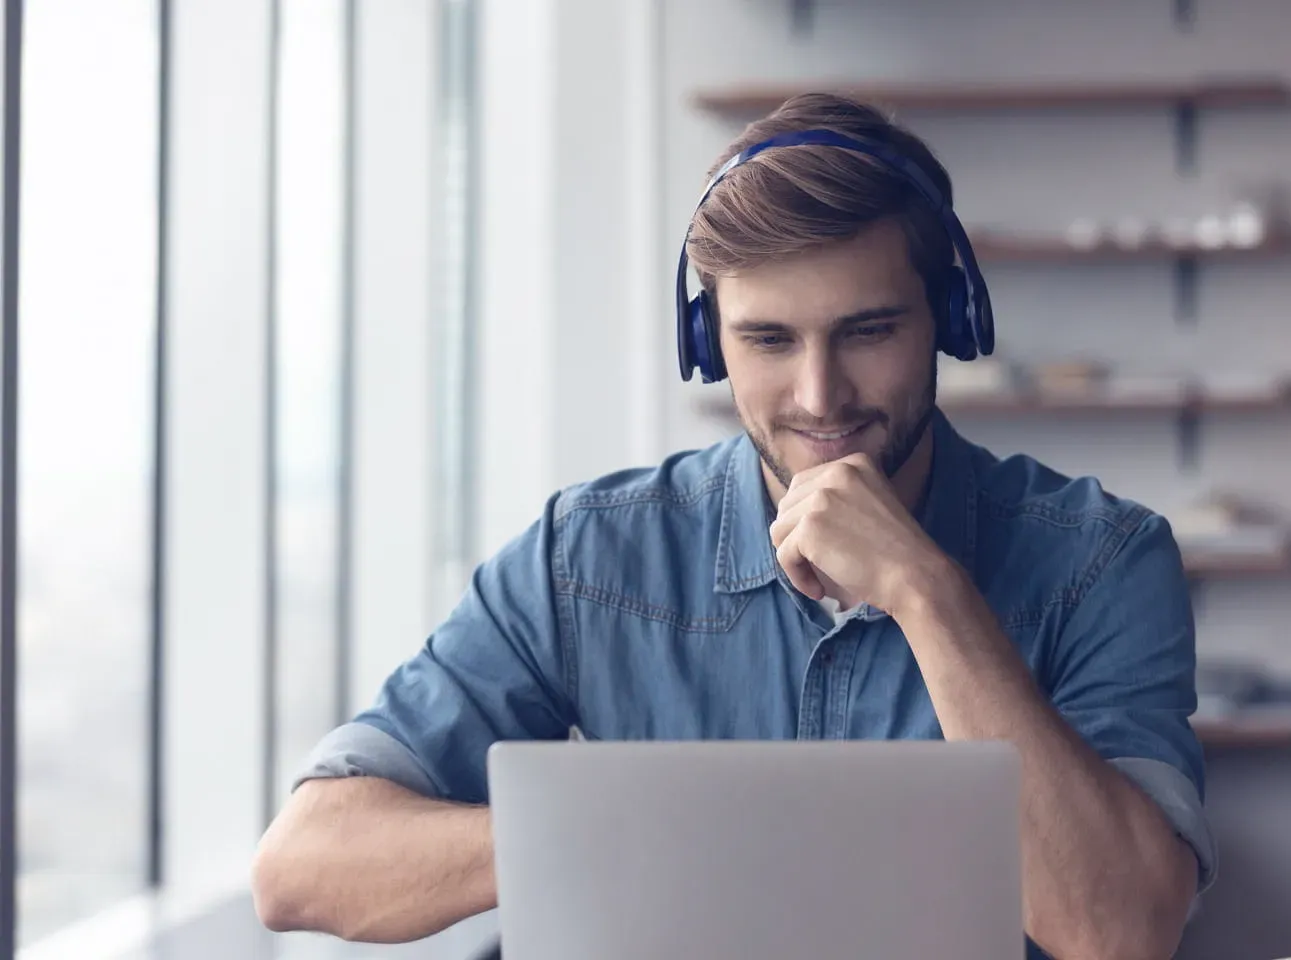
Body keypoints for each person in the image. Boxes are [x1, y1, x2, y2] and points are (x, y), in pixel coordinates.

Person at [251, 93, 1216, 960]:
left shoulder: (1102, 559)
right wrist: (634, 826)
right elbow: (303, 868)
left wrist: (928, 593)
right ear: (708, 340)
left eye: (868, 331)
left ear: (951, 318)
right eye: (767, 339)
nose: (818, 395)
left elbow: (1119, 932)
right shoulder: (586, 556)